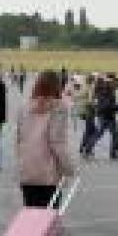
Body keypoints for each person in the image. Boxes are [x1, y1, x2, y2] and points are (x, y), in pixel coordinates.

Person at [17, 70, 77, 207]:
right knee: (48, 219)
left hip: (27, 169)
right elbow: (57, 142)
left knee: (32, 216)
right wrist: (69, 168)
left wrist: (21, 161)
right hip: (48, 172)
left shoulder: (24, 108)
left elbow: (19, 139)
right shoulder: (59, 108)